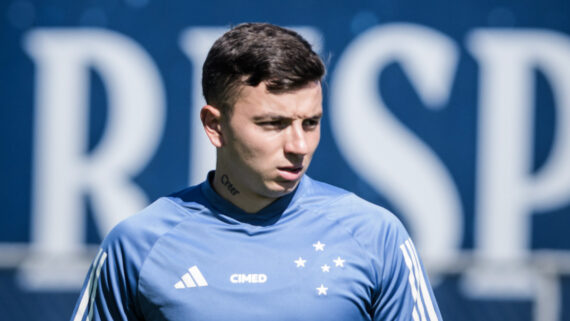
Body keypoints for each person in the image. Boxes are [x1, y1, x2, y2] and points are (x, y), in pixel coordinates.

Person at [70, 22, 443, 321]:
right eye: (273, 124)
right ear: (215, 126)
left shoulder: (376, 236)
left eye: (310, 123)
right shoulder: (137, 245)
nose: (299, 146)